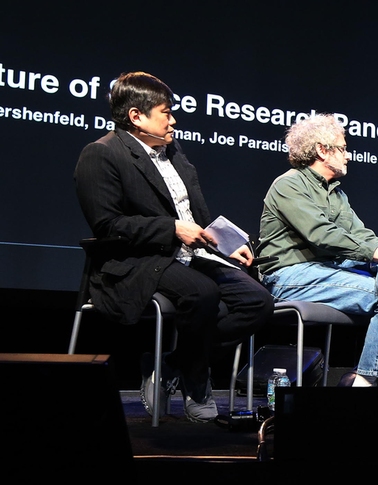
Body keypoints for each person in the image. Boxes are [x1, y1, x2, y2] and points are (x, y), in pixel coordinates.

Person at [73, 71, 274, 423]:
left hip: (189, 255)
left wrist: (226, 245)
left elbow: (195, 215)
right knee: (202, 293)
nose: (173, 120)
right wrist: (171, 229)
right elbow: (108, 225)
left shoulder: (175, 154)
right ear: (136, 116)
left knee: (257, 301)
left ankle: (171, 364)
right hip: (137, 258)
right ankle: (197, 383)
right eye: (166, 112)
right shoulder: (101, 154)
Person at [255, 113, 378, 386]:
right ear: (322, 150)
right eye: (343, 148)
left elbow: (361, 235)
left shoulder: (337, 194)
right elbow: (321, 234)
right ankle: (372, 375)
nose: (348, 156)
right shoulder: (288, 184)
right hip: (290, 275)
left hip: (328, 269)